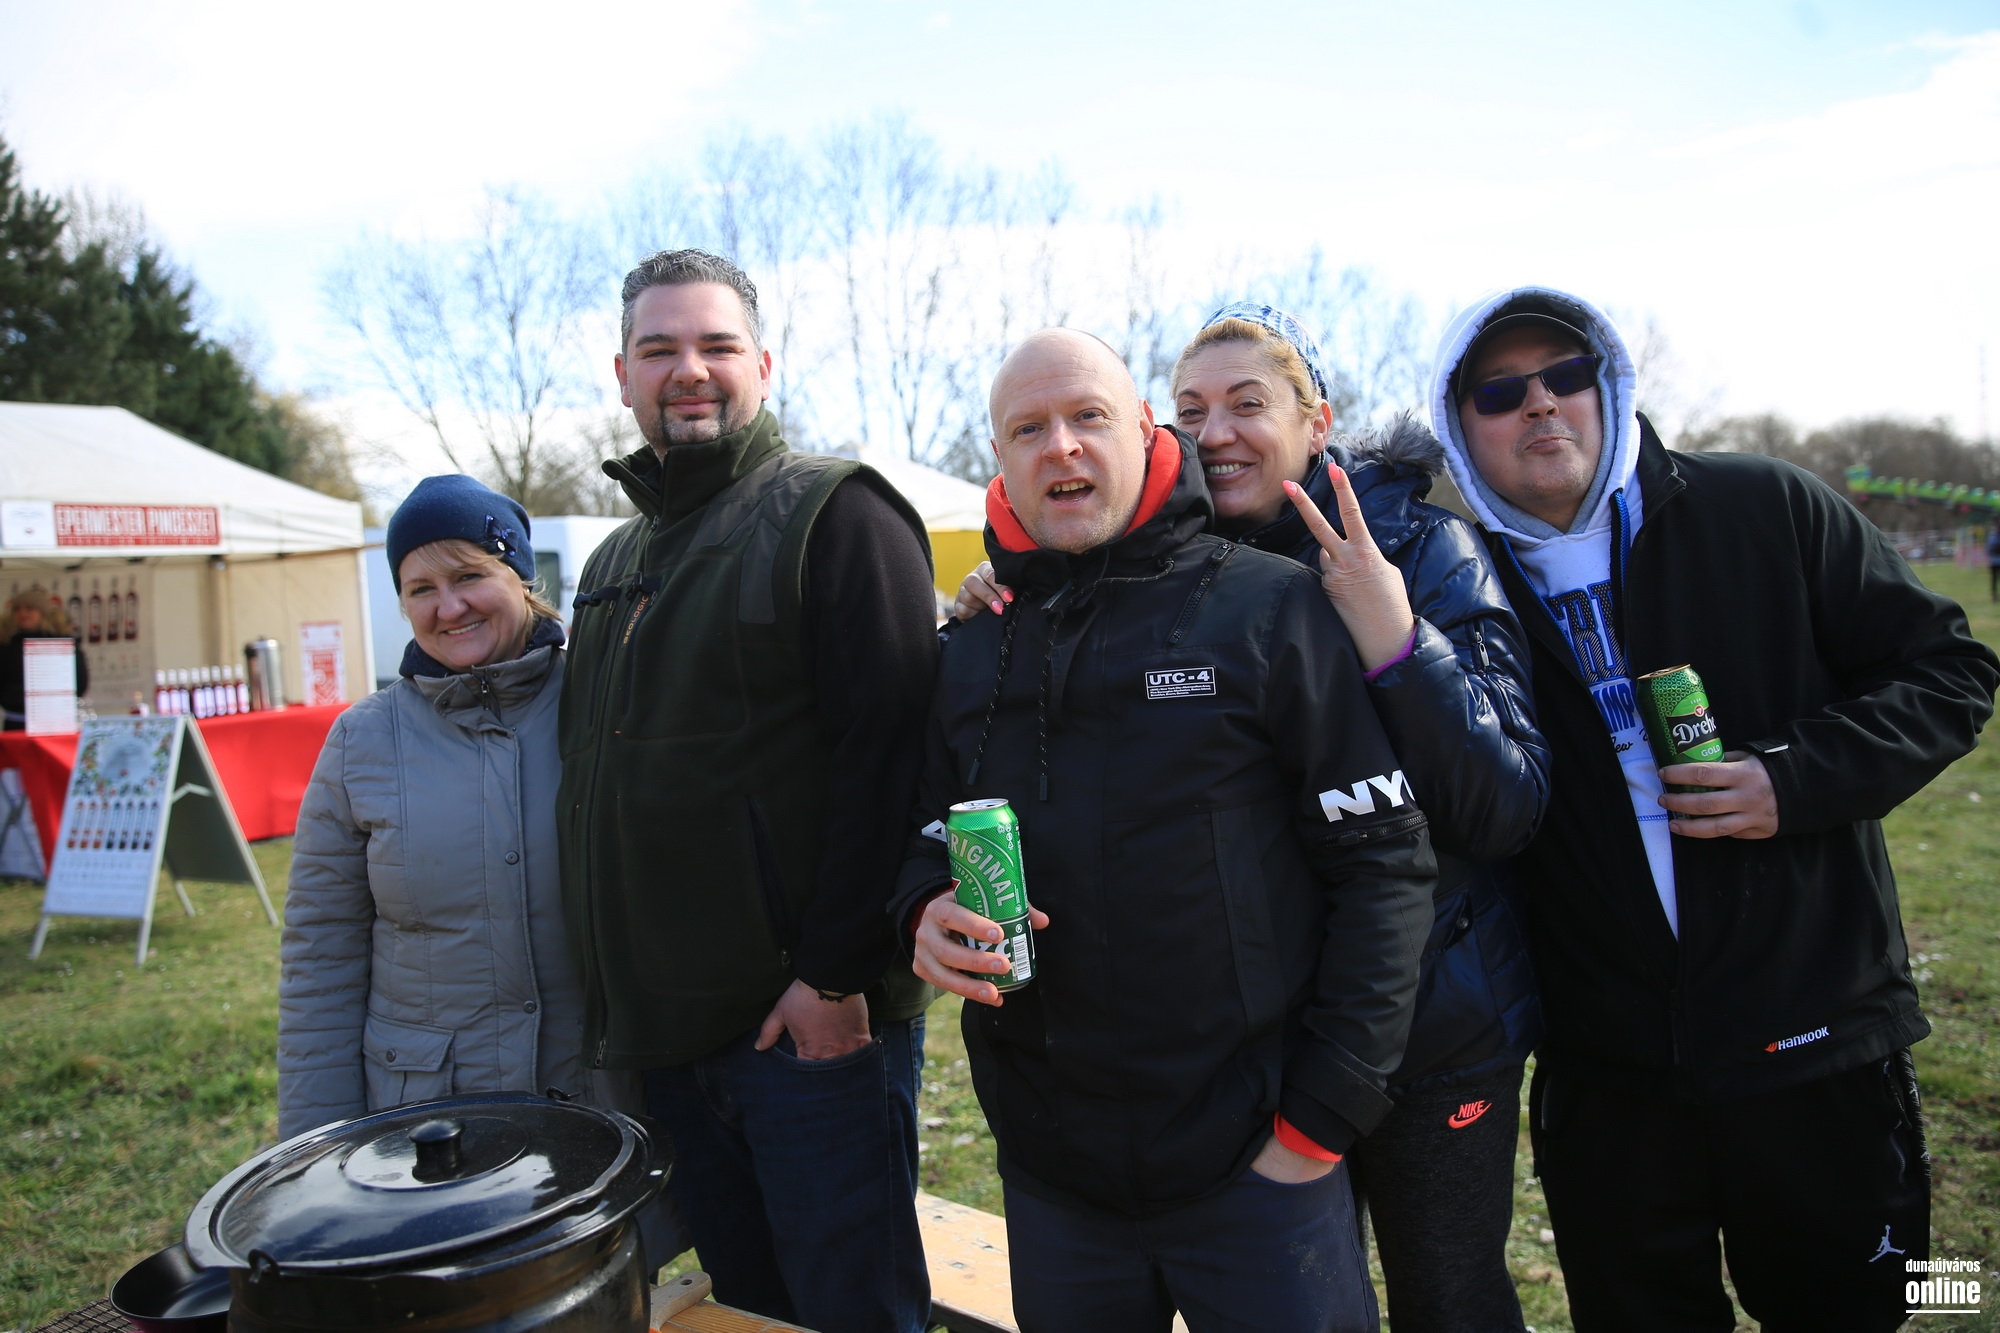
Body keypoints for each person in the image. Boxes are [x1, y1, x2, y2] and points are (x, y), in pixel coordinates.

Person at [957, 306, 1548, 1331]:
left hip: (1427, 1018)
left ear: (1316, 422)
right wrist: (1013, 577)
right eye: (1190, 410)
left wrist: (1394, 635)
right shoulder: (1170, 571)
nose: (1215, 431)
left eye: (1246, 403)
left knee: (1446, 1300)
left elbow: (1502, 805)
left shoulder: (1414, 547)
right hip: (1268, 1044)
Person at [1427, 286, 2000, 1332]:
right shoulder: (1454, 586)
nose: (1540, 404)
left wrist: (1794, 777)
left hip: (1810, 1037)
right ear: (1457, 425)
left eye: (1564, 375)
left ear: (1607, 385)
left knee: (1860, 1307)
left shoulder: (1762, 505)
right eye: (1499, 392)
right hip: (1609, 1076)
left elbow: (1948, 669)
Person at [558, 249, 940, 1333]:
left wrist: (831, 976)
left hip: (806, 1034)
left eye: (716, 345)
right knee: (746, 1313)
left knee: (853, 1310)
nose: (689, 370)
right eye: (659, 349)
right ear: (622, 375)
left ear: (762, 366)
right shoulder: (612, 562)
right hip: (668, 1040)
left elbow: (893, 760)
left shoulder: (837, 514)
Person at [0, 587, 88, 729]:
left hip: (56, 721)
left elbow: (80, 681)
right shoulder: (6, 645)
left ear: (42, 612)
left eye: (29, 608)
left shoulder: (62, 643)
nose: (23, 613)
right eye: (17, 609)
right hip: (16, 722)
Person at [1986, 522, 1999, 601]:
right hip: (1996, 561)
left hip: (1993, 561)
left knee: (1994, 579)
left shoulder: (1992, 537)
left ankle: (1994, 595)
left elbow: (1988, 549)